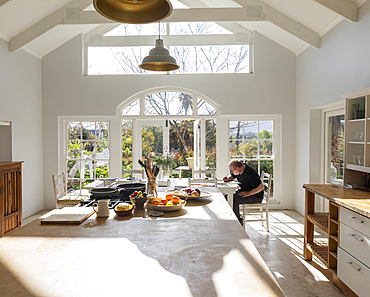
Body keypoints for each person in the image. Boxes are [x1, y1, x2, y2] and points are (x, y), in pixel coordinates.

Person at [223, 160, 264, 225]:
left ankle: (238, 223)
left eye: (231, 170)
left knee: (233, 200)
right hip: (244, 191)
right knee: (226, 197)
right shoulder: (239, 169)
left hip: (255, 196)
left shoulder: (249, 174)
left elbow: (261, 187)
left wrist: (248, 193)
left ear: (238, 168)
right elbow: (233, 176)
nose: (231, 172)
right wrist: (228, 178)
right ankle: (232, 218)